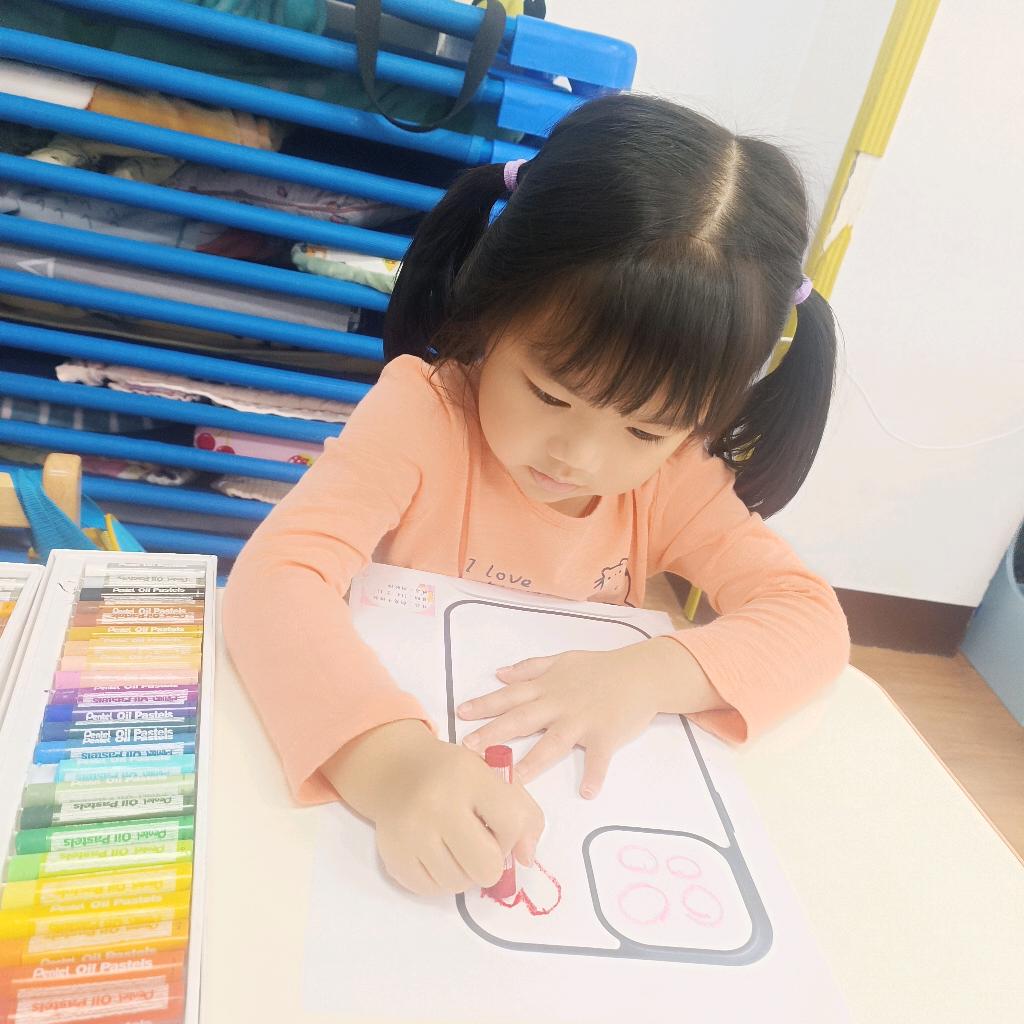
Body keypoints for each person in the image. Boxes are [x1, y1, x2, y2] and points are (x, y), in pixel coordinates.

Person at [223, 93, 850, 898]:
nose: (579, 457)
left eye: (645, 429)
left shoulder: (675, 478)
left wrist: (646, 675)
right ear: (489, 311)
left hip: (557, 814)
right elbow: (274, 579)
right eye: (551, 395)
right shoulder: (423, 416)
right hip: (384, 794)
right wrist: (389, 763)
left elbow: (807, 619)